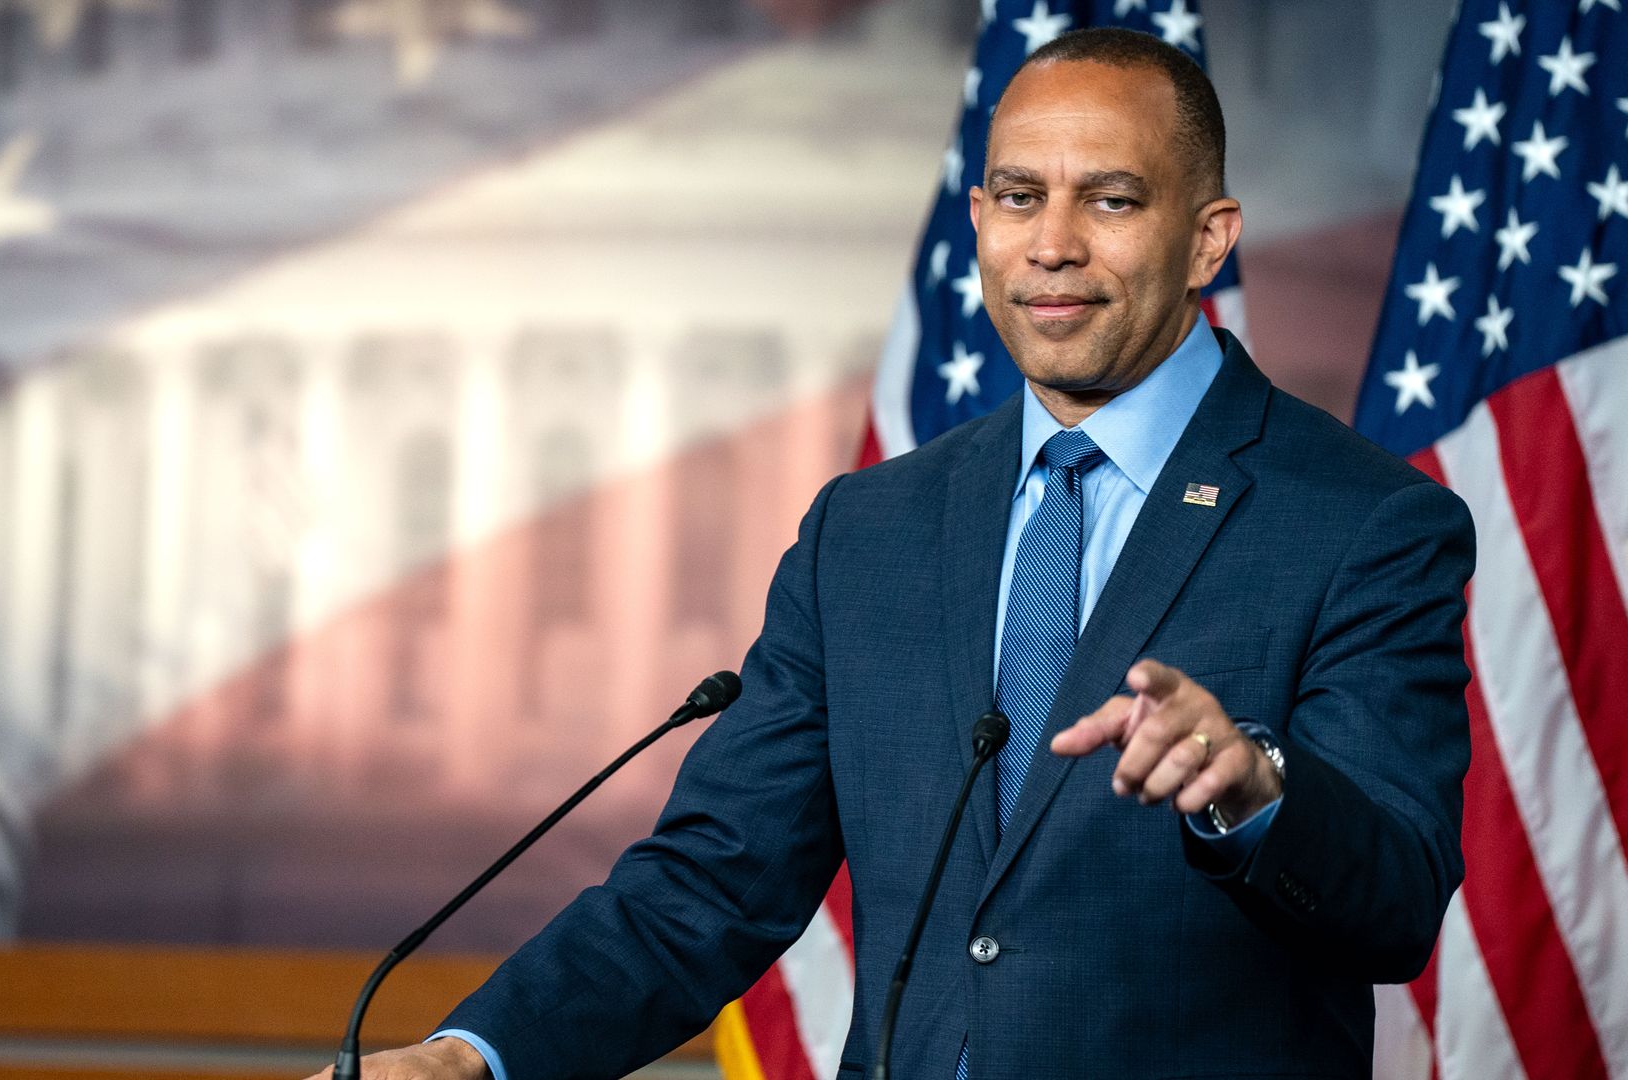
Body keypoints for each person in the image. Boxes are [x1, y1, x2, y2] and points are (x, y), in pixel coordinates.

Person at [320, 27, 1473, 1080]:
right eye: (1020, 197)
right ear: (978, 220)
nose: (1055, 245)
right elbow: (712, 881)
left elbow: (1398, 903)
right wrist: (473, 1058)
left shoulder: (1361, 522)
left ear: (1206, 239)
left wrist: (1254, 793)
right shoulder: (866, 533)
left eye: (1112, 201)